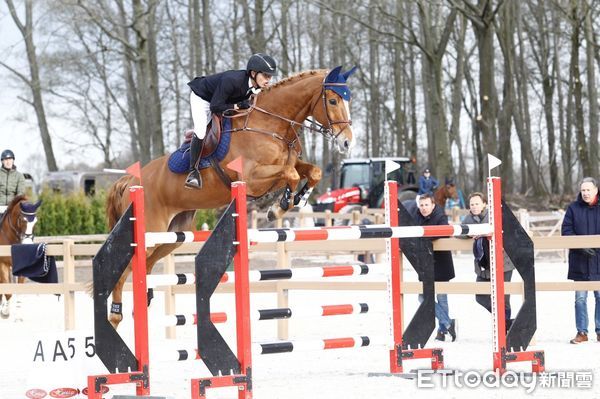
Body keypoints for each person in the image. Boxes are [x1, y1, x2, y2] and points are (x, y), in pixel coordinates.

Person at [185, 53, 278, 189]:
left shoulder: (256, 85)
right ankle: (193, 172)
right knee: (201, 131)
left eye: (270, 76)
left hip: (220, 99)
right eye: (265, 76)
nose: (268, 80)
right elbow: (215, 107)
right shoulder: (232, 80)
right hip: (203, 98)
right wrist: (237, 106)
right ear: (253, 73)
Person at [462, 192, 515, 329]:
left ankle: (504, 330)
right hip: (483, 266)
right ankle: (506, 323)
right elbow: (459, 232)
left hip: (503, 263)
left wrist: (486, 233)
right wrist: (469, 234)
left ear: (484, 204)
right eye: (472, 204)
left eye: (477, 203)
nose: (474, 207)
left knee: (504, 299)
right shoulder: (468, 219)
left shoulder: (493, 215)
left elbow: (507, 231)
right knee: (480, 296)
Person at [412, 193, 457, 342]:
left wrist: (422, 236)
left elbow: (442, 232)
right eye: (422, 205)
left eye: (426, 205)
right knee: (423, 297)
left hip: (441, 262)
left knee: (442, 298)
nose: (424, 208)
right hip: (425, 263)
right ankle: (449, 323)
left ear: (432, 205)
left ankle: (442, 331)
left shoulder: (440, 216)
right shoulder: (416, 216)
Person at [561, 177, 600, 344]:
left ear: (596, 190)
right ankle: (582, 332)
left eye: (588, 190)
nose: (585, 193)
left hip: (598, 260)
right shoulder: (573, 208)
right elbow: (566, 230)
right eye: (583, 190)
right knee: (580, 299)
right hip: (579, 260)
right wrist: (580, 245)